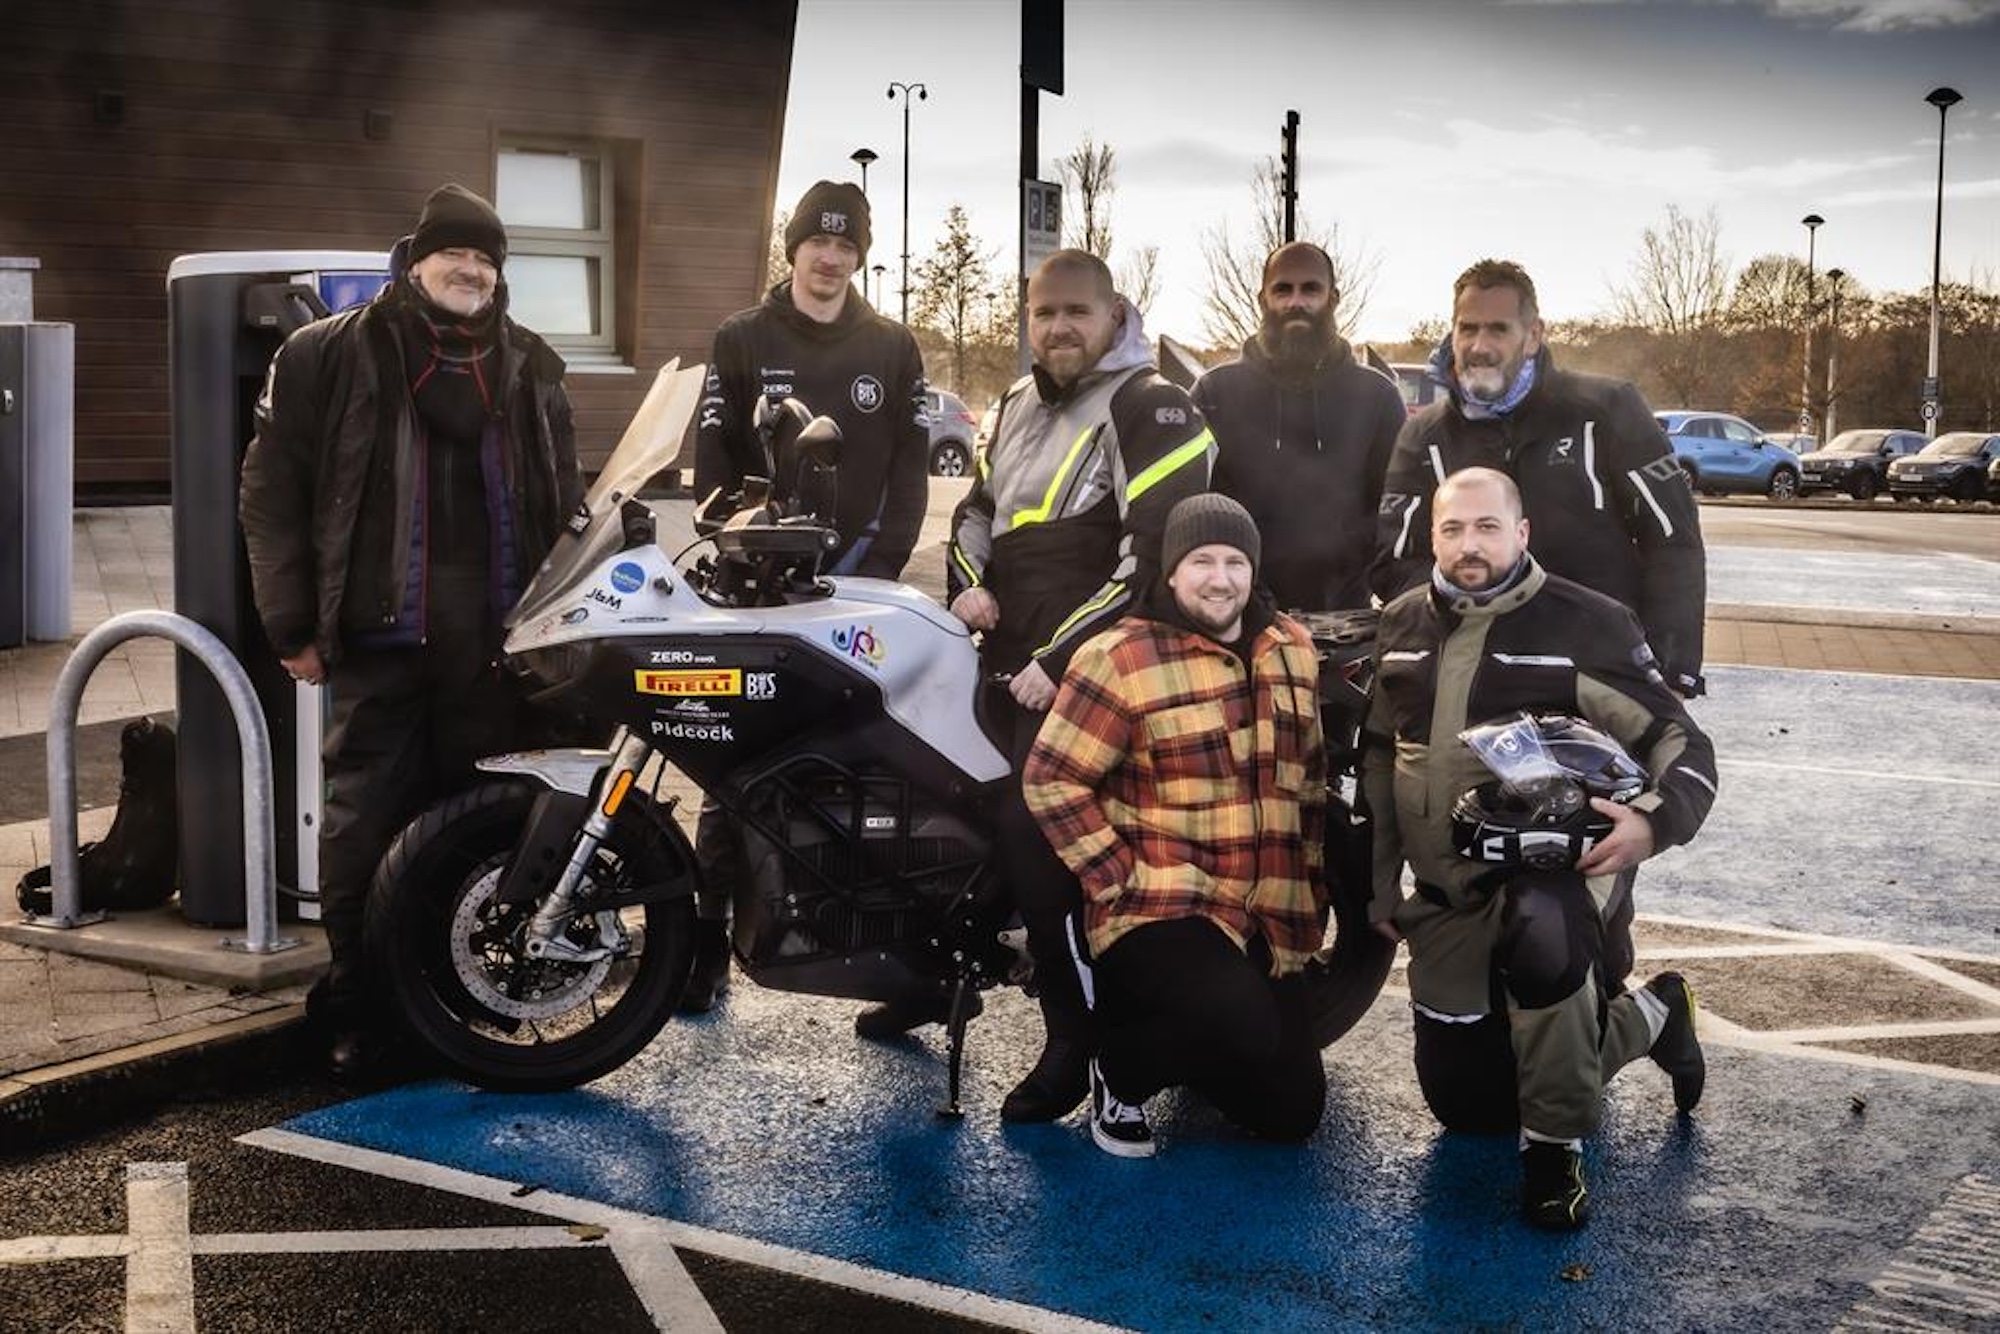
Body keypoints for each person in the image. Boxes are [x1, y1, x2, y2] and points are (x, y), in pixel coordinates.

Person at [241, 183, 584, 1080]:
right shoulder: (328, 355)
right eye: (454, 254)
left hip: (496, 646)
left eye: (486, 258)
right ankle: (357, 1008)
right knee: (363, 830)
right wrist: (287, 624)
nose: (469, 270)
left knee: (472, 831)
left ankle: (449, 999)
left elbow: (565, 503)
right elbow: (272, 495)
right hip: (380, 637)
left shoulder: (532, 366)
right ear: (417, 258)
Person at [1361, 466, 1716, 1229]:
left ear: (1522, 534)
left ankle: (1554, 1153)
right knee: (1469, 1109)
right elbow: (1382, 756)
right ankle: (1656, 1017)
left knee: (1543, 930)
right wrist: (1379, 880)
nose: (1470, 544)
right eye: (1453, 529)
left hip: (1555, 879)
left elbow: (1679, 741)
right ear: (1432, 537)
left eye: (1488, 527)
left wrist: (1652, 821)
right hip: (1448, 891)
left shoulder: (1587, 622)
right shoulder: (1399, 624)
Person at [940, 249, 1214, 1122]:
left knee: (1033, 822)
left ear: (1113, 314)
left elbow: (1150, 559)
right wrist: (966, 579)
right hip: (1010, 641)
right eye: (1044, 313)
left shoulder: (1150, 401)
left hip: (1101, 655)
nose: (1058, 328)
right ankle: (924, 973)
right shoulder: (1017, 402)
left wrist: (1057, 660)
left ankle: (1076, 1039)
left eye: (1076, 314)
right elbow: (976, 509)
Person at [684, 178, 931, 1012]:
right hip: (758, 581)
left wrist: (882, 566)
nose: (830, 258)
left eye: (846, 244)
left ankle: (898, 959)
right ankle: (703, 946)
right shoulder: (742, 336)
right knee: (733, 761)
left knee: (873, 765)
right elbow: (713, 459)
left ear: (861, 253)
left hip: (858, 582)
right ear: (792, 248)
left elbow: (909, 468)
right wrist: (735, 544)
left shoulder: (893, 345)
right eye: (817, 242)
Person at [1023, 494, 1328, 1157]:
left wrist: (1319, 891)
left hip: (1264, 908)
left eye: (1233, 562)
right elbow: (1050, 776)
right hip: (1160, 902)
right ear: (1169, 572)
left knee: (1291, 1114)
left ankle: (1192, 1035)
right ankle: (1121, 1067)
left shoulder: (1292, 651)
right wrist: (1116, 875)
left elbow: (1309, 778)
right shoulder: (1120, 656)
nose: (1220, 578)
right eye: (1201, 561)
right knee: (1238, 1021)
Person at [1370, 259, 1707, 699]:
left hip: (1599, 672)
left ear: (1533, 336)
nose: (1479, 345)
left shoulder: (1608, 409)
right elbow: (1397, 561)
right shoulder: (1424, 435)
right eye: (1467, 329)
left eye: (1498, 329)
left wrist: (1671, 666)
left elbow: (1673, 540)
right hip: (1478, 678)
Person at [1193, 241, 1404, 612]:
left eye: (1310, 289)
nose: (1296, 301)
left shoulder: (1376, 397)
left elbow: (1394, 517)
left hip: (1346, 619)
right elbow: (1195, 514)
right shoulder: (1214, 394)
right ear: (1263, 299)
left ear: (1333, 298)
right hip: (1236, 616)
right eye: (1283, 290)